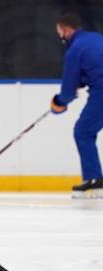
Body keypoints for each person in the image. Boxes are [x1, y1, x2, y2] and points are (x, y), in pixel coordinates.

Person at [51, 12, 103, 198]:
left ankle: (94, 180)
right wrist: (84, 78)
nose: (60, 37)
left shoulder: (75, 50)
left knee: (83, 131)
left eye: (59, 32)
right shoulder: (96, 38)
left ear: (66, 30)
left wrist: (58, 104)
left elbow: (67, 92)